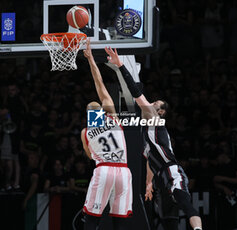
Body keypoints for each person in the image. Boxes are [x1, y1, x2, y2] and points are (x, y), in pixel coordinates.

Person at [105, 47, 203, 230]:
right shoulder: (145, 133)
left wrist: (120, 66)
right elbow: (150, 160)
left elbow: (135, 92)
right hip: (160, 177)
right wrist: (149, 182)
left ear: (161, 111)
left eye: (154, 103)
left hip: (171, 171)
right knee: (168, 219)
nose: (150, 104)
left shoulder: (155, 119)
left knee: (186, 204)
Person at [80, 39, 133, 230]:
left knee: (92, 217)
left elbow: (89, 155)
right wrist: (91, 59)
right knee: (120, 219)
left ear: (88, 116)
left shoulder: (85, 132)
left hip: (103, 169)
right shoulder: (112, 117)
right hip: (124, 171)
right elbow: (99, 84)